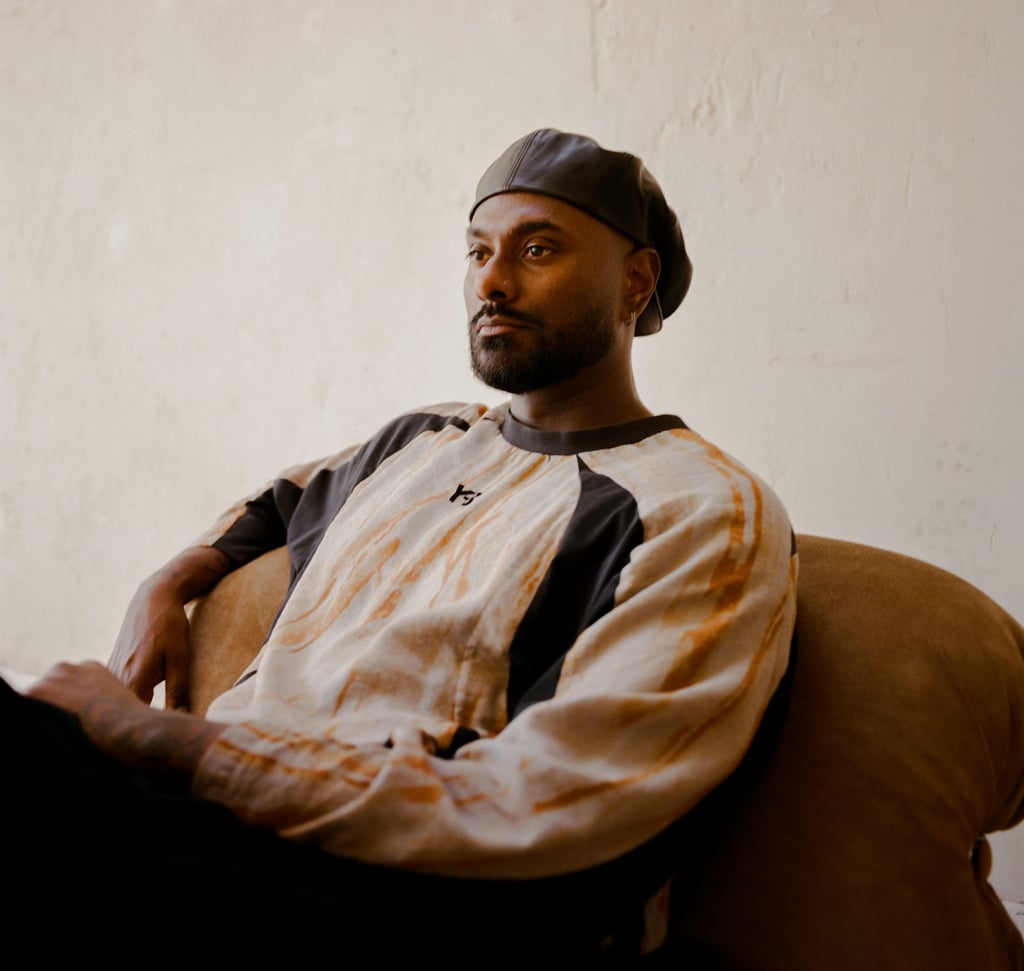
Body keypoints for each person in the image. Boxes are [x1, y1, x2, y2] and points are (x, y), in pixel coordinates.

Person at [7, 129, 797, 960]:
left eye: (536, 249)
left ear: (635, 282)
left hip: (401, 894)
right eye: (478, 251)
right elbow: (272, 505)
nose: (490, 282)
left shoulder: (704, 507)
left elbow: (546, 808)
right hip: (205, 824)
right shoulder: (420, 441)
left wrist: (152, 735)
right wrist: (163, 586)